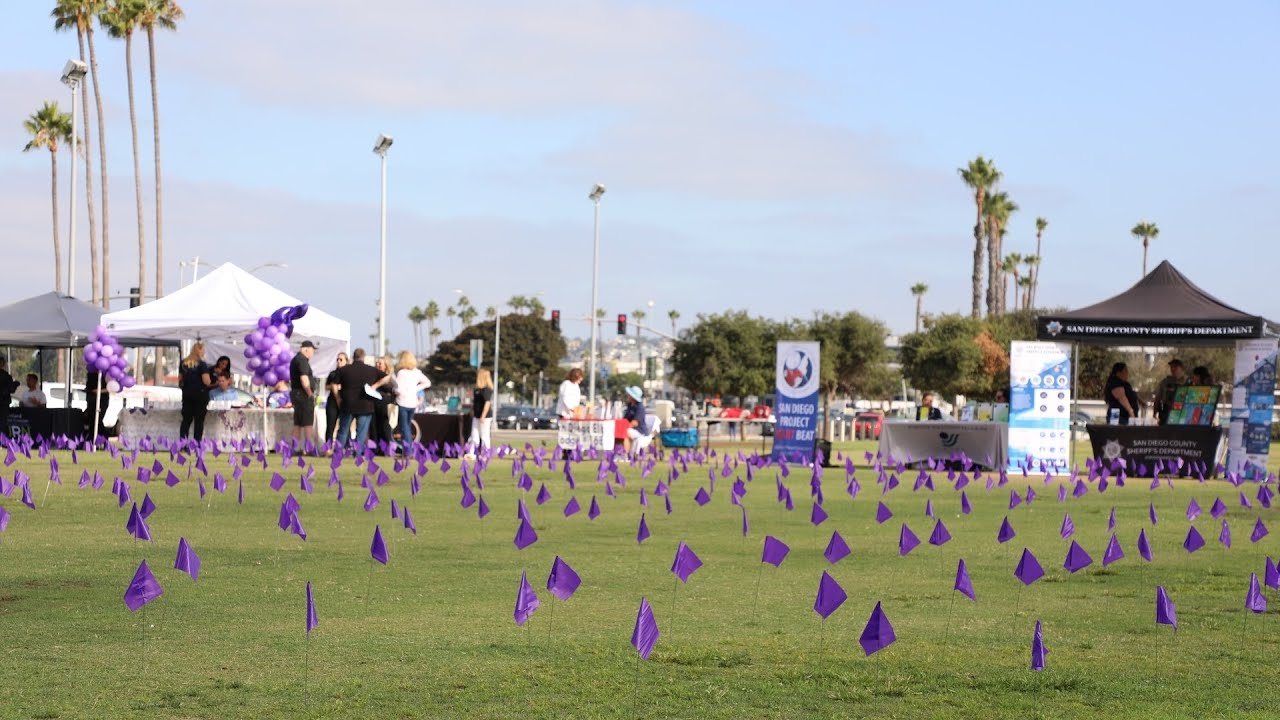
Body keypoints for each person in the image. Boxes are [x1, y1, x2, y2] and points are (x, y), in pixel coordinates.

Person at [334, 348, 389, 451]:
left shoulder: (343, 370)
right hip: (365, 405)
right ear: (364, 357)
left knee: (343, 431)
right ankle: (358, 455)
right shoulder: (371, 370)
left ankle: (338, 452)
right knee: (361, 433)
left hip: (347, 404)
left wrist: (338, 398)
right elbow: (387, 377)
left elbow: (334, 384)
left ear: (353, 357)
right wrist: (376, 386)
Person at [393, 350, 431, 454]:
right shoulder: (416, 372)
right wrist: (416, 388)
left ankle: (408, 450)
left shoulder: (401, 373)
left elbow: (398, 389)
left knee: (404, 427)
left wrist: (395, 391)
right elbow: (427, 383)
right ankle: (408, 449)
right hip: (412, 403)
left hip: (402, 402)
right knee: (407, 426)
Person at [179, 342, 214, 441]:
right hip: (200, 395)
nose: (204, 352)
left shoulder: (183, 363)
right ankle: (196, 443)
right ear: (199, 350)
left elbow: (180, 380)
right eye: (203, 350)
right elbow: (206, 381)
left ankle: (183, 443)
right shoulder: (202, 365)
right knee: (199, 421)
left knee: (186, 420)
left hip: (187, 395)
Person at [289, 340, 318, 447]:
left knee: (298, 422)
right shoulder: (302, 361)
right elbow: (304, 379)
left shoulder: (295, 360)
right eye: (312, 351)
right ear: (306, 349)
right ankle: (309, 448)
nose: (312, 354)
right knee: (307, 423)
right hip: (303, 394)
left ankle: (294, 448)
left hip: (296, 394)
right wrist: (310, 394)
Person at [369, 355, 397, 450]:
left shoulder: (390, 377)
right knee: (373, 428)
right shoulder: (373, 376)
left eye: (380, 363)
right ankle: (374, 448)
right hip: (373, 405)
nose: (378, 365)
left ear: (386, 365)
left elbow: (396, 390)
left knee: (385, 428)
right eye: (377, 363)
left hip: (385, 406)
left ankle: (387, 448)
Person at [324, 352, 349, 444]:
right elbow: (326, 386)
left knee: (345, 426)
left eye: (341, 359)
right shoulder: (333, 374)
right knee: (330, 426)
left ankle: (346, 446)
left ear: (346, 361)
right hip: (332, 402)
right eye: (337, 359)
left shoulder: (348, 373)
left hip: (344, 401)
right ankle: (328, 446)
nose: (338, 361)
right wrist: (333, 386)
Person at [1153, 359, 1186, 425]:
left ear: (1182, 368)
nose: (1173, 369)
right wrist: (1155, 413)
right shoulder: (1165, 382)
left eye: (1176, 367)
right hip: (1167, 412)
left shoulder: (1188, 382)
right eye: (1171, 367)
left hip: (1183, 412)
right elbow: (1158, 398)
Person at [468, 368, 494, 453]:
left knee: (484, 435)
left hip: (485, 416)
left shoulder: (487, 390)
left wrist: (483, 416)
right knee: (474, 434)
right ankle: (472, 452)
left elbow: (487, 403)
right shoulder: (477, 390)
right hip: (476, 415)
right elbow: (475, 403)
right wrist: (472, 411)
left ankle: (485, 453)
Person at [622, 385, 648, 453]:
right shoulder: (629, 406)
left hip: (639, 431)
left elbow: (635, 423)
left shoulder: (639, 407)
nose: (628, 396)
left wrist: (624, 427)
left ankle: (626, 454)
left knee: (625, 432)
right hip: (630, 429)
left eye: (629, 394)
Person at [0, 358, 18, 437]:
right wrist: (16, 384)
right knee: (2, 422)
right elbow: (11, 389)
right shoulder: (6, 376)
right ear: (3, 364)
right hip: (3, 403)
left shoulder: (6, 376)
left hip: (4, 402)